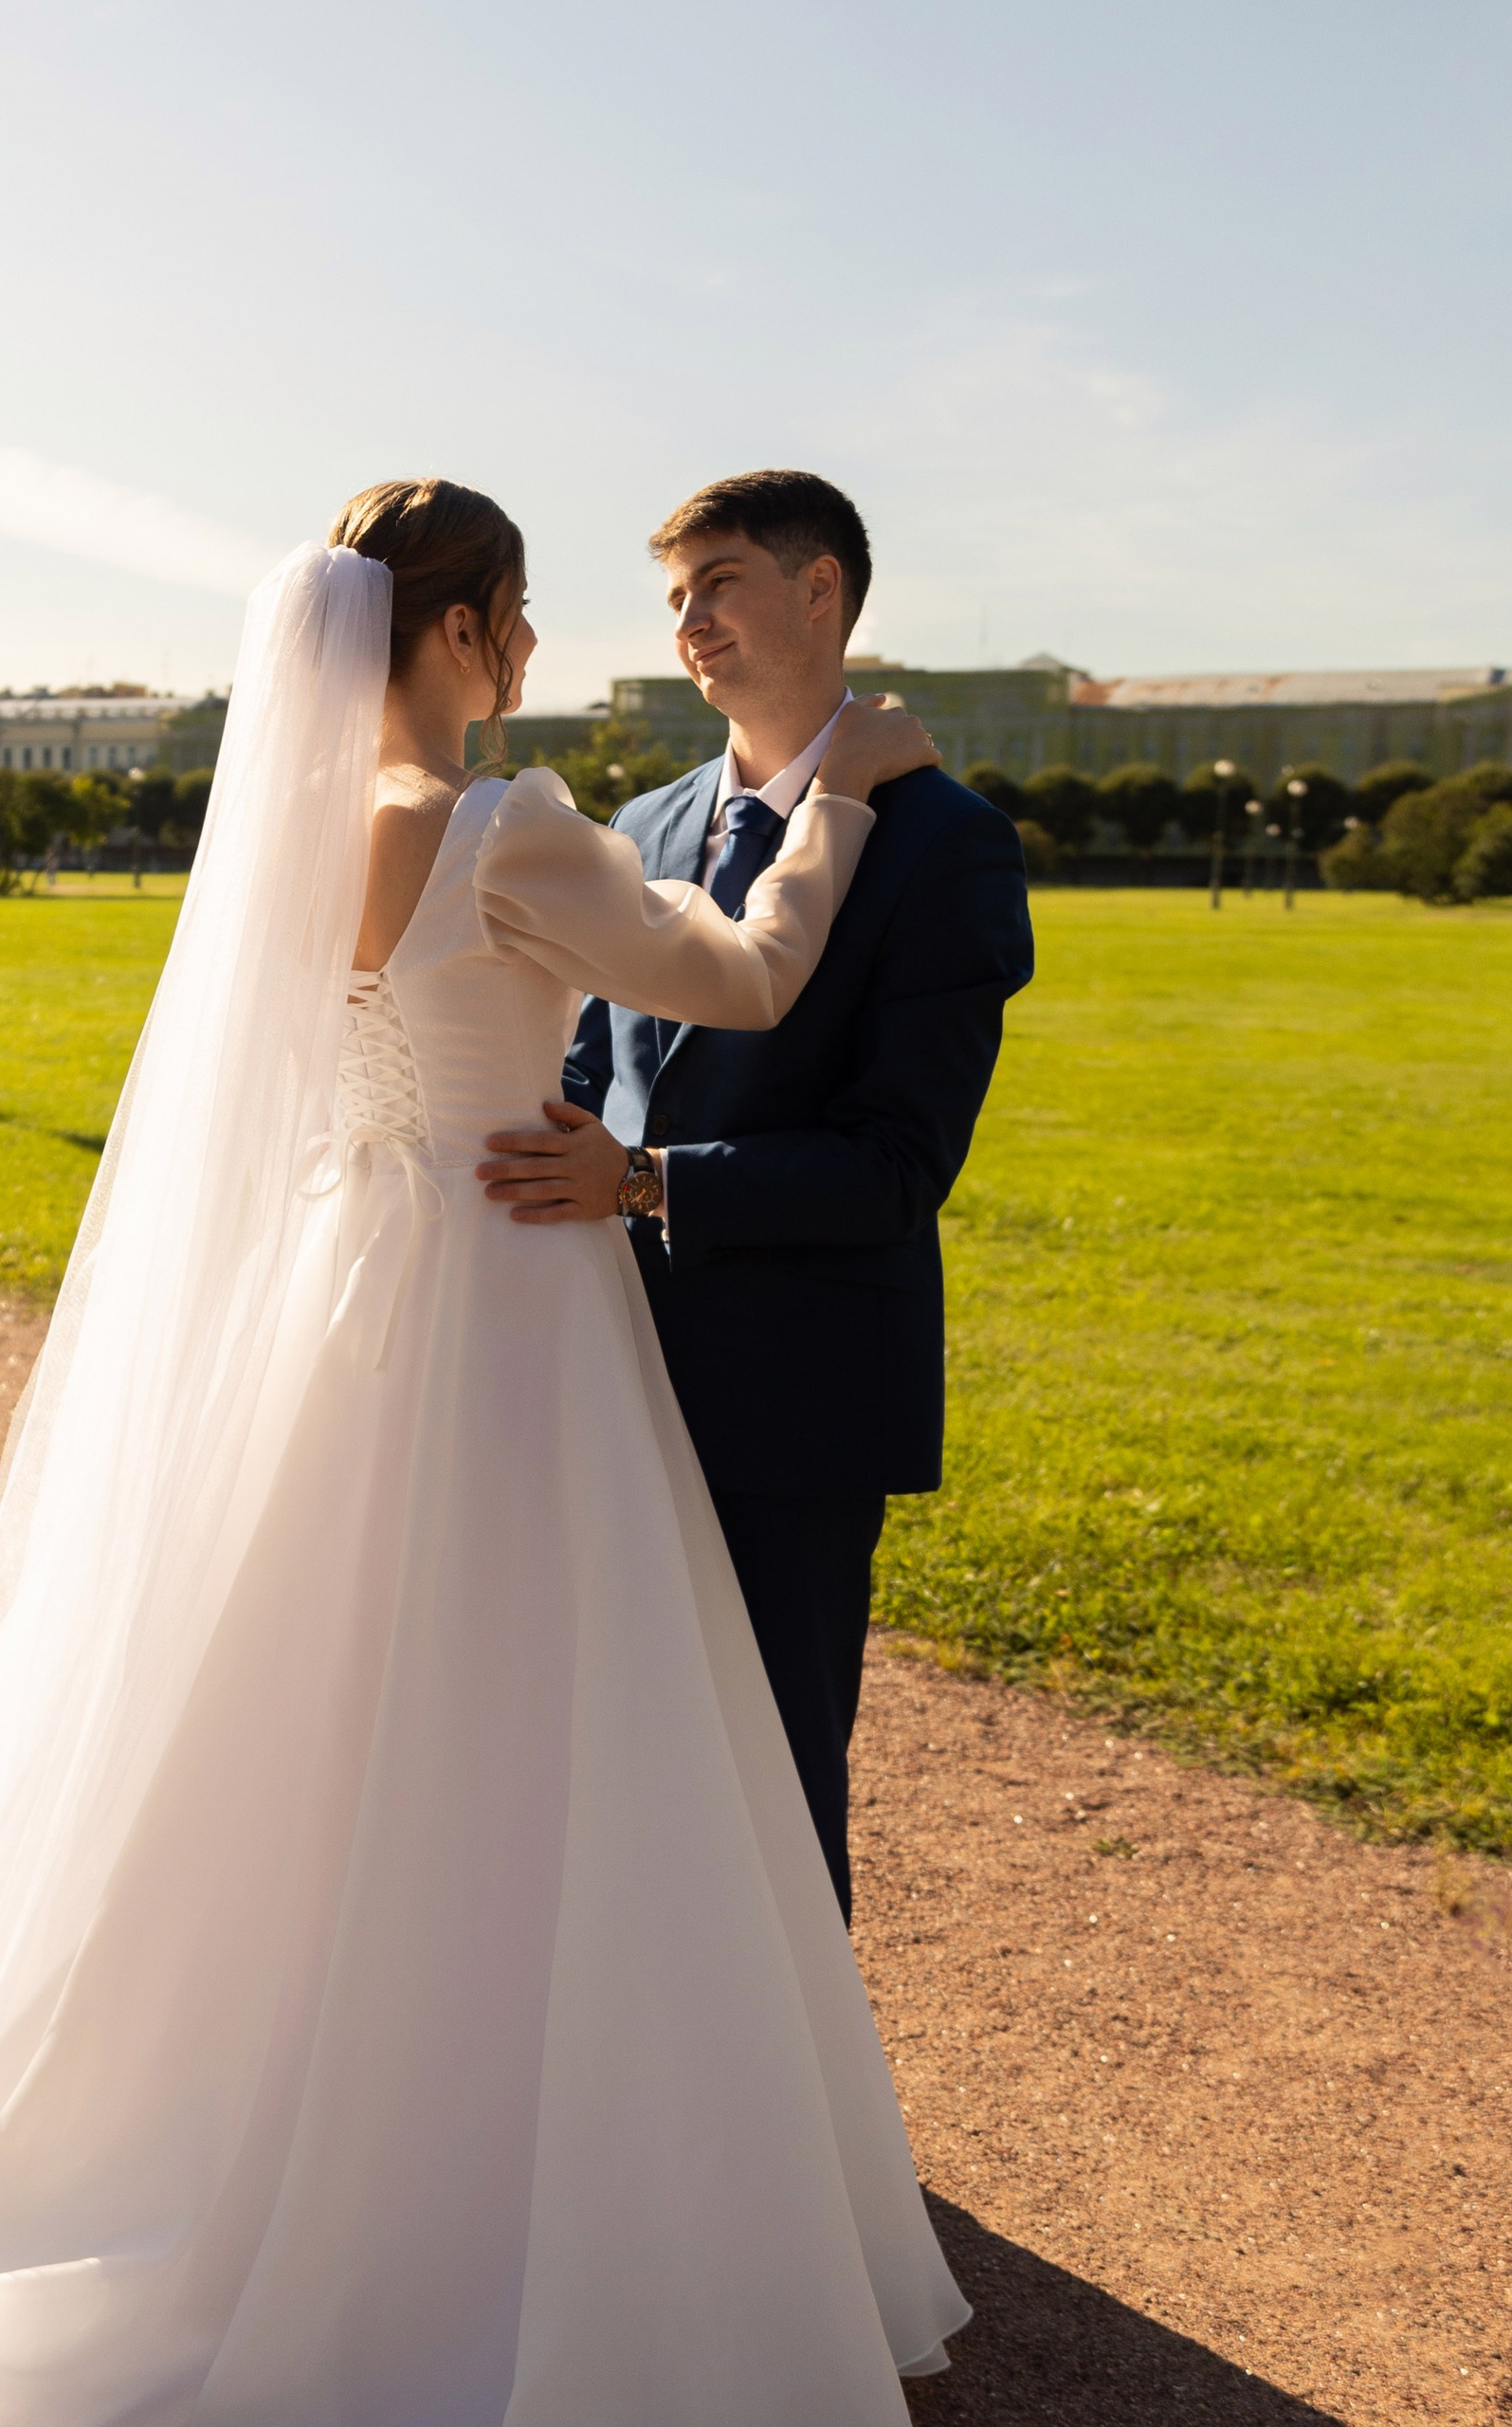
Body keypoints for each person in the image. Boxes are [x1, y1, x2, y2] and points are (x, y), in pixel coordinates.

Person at [0, 481, 968, 2426]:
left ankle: (254, 2104)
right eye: (514, 613)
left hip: (344, 1283)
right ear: (452, 634)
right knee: (528, 1715)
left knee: (302, 1714)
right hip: (511, 1296)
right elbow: (746, 975)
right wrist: (846, 792)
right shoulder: (504, 823)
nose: (528, 648)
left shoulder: (295, 831)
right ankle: (516, 2141)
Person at [476, 470, 1036, 1922]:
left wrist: (648, 1181)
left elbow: (899, 1163)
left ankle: (790, 2142)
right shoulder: (651, 819)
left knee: (774, 1771)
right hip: (603, 1364)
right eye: (674, 599)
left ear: (821, 590)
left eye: (718, 582)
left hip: (795, 1394)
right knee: (601, 1752)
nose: (690, 624)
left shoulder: (946, 845)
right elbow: (591, 1064)